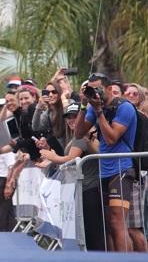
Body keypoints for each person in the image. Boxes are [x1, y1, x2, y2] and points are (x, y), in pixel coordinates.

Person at [75, 72, 137, 252]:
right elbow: (78, 133)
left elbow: (111, 139)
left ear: (110, 89)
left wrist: (99, 112)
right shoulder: (93, 106)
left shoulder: (124, 107)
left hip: (122, 169)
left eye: (98, 89)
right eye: (91, 89)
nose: (95, 93)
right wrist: (83, 105)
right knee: (108, 224)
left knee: (118, 223)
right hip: (104, 171)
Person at [39, 103, 104, 251]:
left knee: (93, 232)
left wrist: (52, 156)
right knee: (88, 231)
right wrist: (52, 157)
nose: (71, 120)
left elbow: (70, 159)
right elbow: (68, 158)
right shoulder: (78, 135)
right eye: (68, 117)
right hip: (84, 188)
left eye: (75, 116)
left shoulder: (82, 135)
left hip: (90, 188)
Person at [32, 82, 66, 151]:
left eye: (54, 92)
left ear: (59, 93)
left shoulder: (67, 105)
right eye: (47, 93)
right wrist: (38, 107)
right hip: (61, 151)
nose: (50, 95)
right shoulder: (47, 113)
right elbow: (35, 127)